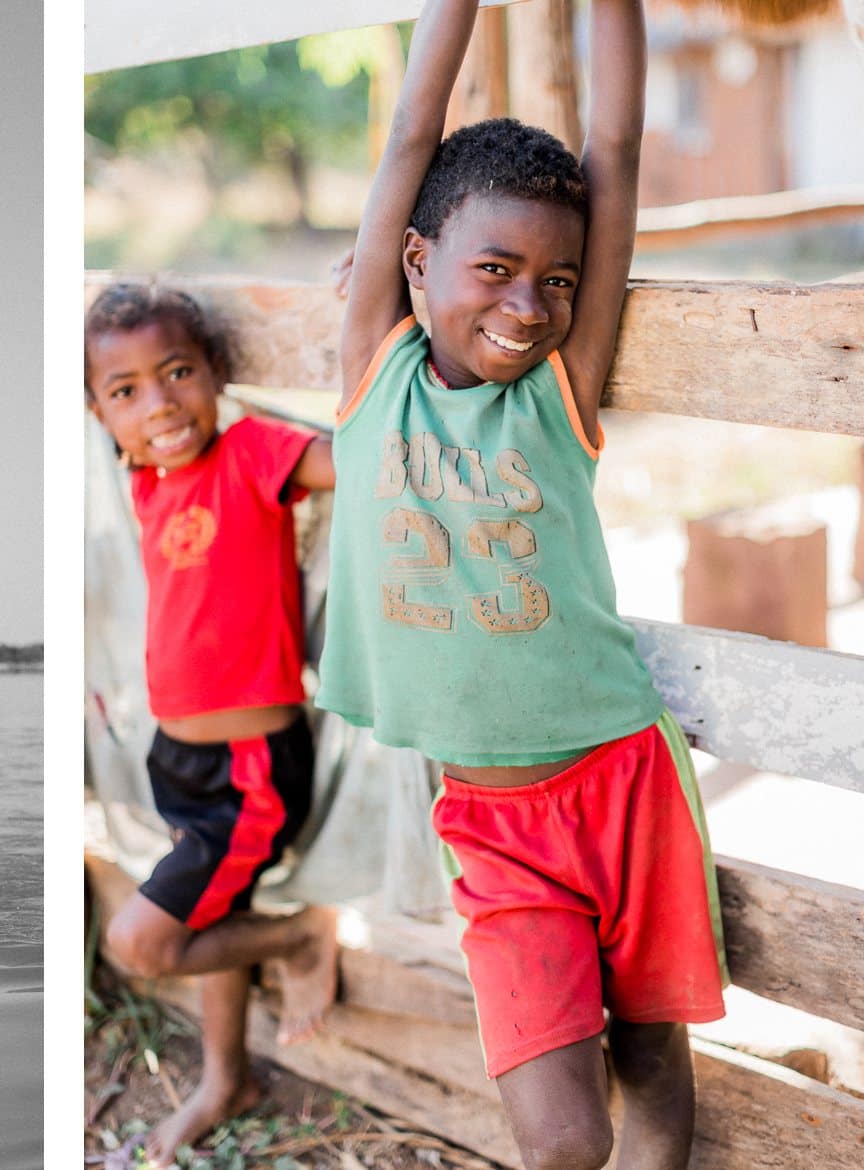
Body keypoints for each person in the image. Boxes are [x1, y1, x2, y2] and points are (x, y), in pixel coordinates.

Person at [319, 3, 726, 1167]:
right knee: (557, 1142)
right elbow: (409, 131)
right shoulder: (370, 373)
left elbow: (617, 149)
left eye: (555, 279)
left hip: (624, 785)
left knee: (654, 1062)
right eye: (492, 269)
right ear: (414, 258)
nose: (526, 305)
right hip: (493, 833)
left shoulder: (561, 389)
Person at [84, 281, 342, 1167]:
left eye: (179, 372)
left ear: (217, 373)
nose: (159, 403)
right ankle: (223, 1079)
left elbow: (351, 461)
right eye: (126, 391)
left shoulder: (251, 453)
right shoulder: (142, 481)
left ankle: (301, 936)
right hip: (178, 759)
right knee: (208, 910)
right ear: (99, 413)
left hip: (249, 771)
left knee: (147, 944)